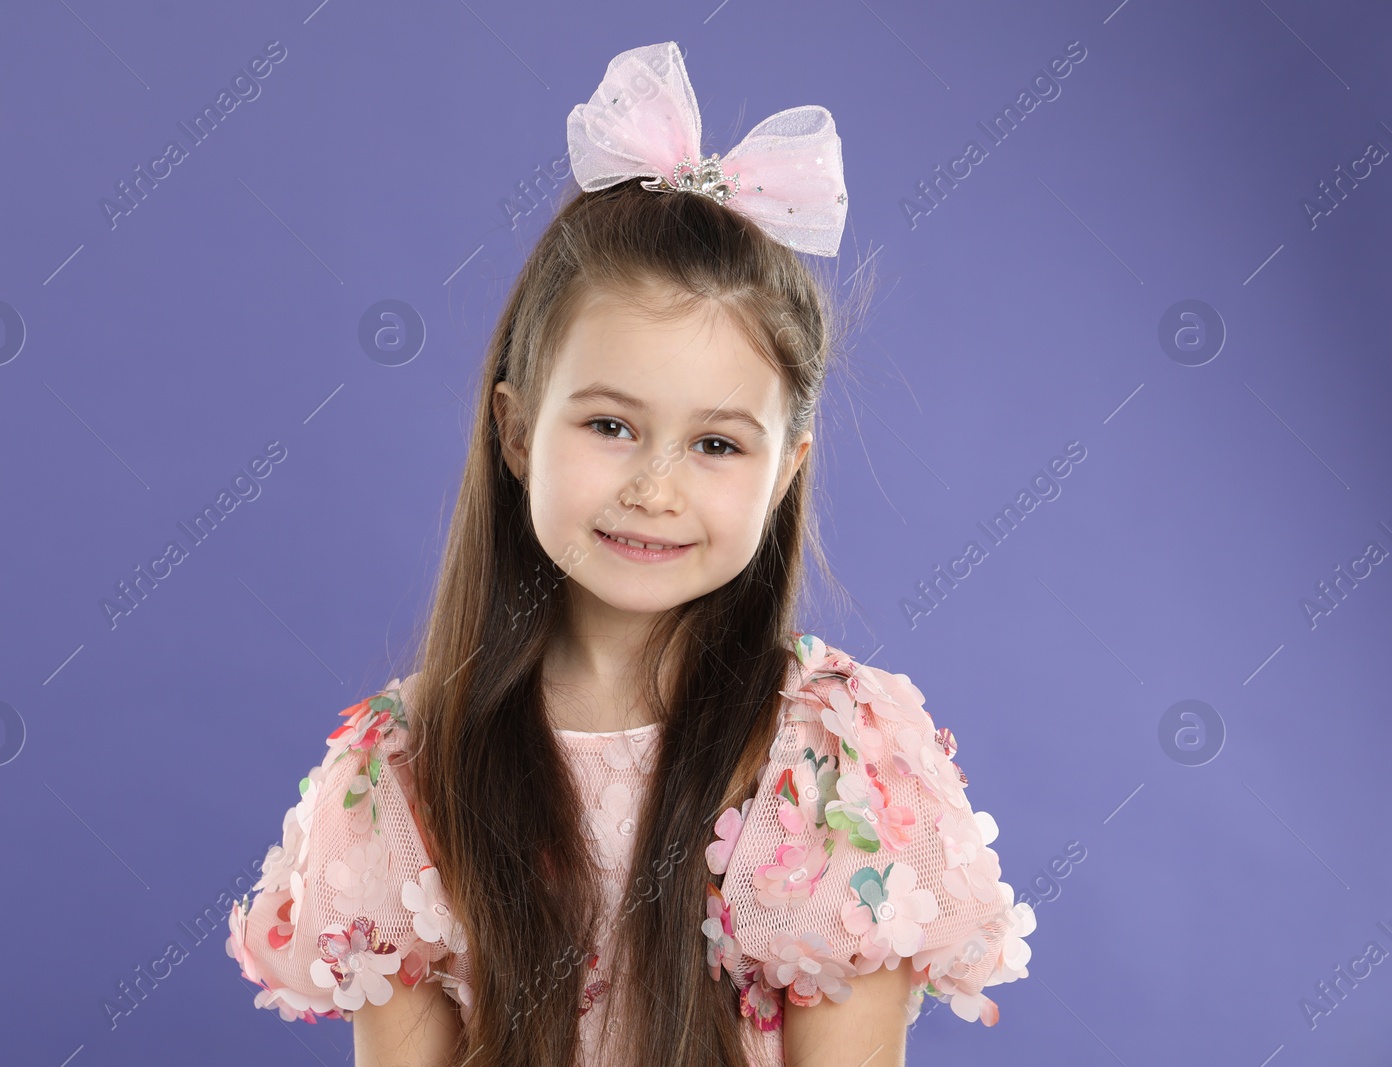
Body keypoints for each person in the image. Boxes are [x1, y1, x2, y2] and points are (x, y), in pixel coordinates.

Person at [227, 40, 1035, 1067]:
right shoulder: (408, 765)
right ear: (516, 432)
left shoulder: (828, 759)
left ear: (786, 468)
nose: (655, 487)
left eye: (714, 444)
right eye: (609, 425)